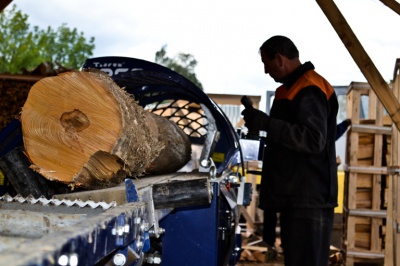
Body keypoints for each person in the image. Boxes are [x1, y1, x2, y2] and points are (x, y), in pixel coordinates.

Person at [242, 35, 339, 266]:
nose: (266, 72)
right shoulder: (289, 90)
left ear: (279, 59)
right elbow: (286, 138)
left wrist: (266, 124)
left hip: (309, 198)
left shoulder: (309, 88)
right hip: (295, 196)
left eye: (266, 64)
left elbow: (313, 139)